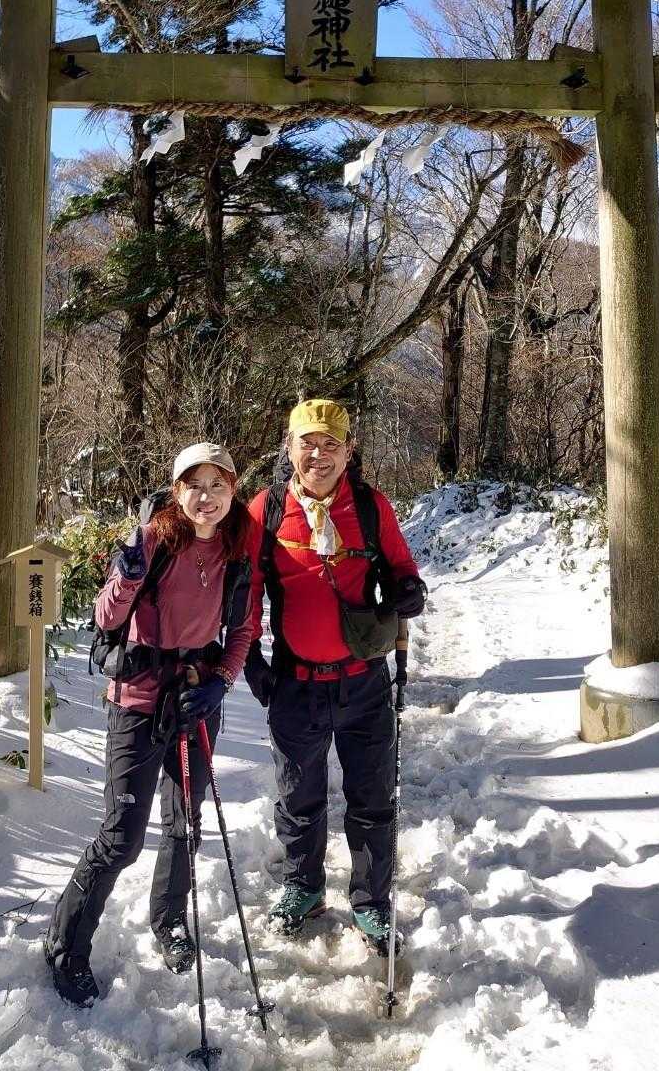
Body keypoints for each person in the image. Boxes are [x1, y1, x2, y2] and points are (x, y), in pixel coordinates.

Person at [45, 443, 254, 1007]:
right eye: (194, 485)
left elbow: (242, 629)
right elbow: (106, 616)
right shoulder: (155, 539)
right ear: (176, 489)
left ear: (232, 490)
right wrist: (126, 572)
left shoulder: (237, 548)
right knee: (122, 837)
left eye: (217, 485)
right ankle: (65, 943)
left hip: (196, 696)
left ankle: (169, 919)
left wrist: (221, 682)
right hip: (138, 701)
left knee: (185, 820)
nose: (206, 497)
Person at [244, 399, 425, 956]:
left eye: (330, 444)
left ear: (349, 451)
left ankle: (371, 902)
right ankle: (303, 888)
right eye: (307, 442)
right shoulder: (266, 510)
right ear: (289, 447)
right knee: (298, 796)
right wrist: (250, 662)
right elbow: (246, 594)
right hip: (294, 682)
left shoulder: (370, 506)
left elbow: (402, 567)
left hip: (363, 680)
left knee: (372, 796)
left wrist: (408, 590)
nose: (318, 455)